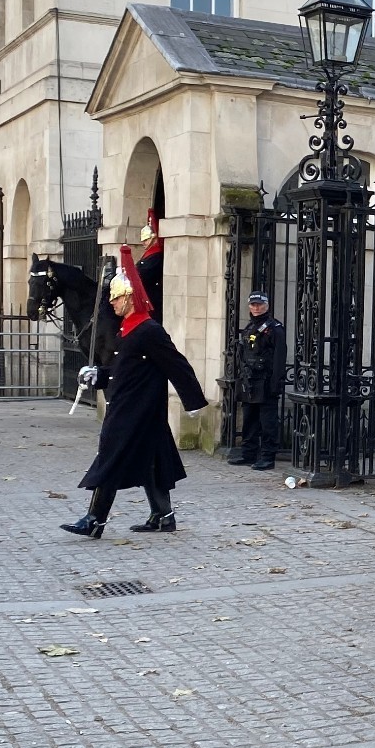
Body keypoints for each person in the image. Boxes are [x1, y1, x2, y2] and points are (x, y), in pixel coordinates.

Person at [61, 246, 207, 537]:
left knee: (110, 457)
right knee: (153, 459)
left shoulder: (149, 330)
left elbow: (177, 365)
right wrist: (97, 376)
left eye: (115, 298)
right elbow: (121, 371)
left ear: (129, 298)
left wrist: (193, 400)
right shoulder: (126, 329)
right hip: (130, 405)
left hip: (137, 409)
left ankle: (94, 520)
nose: (112, 303)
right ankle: (163, 516)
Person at [228, 291, 286, 470]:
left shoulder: (274, 328)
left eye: (259, 305)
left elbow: (279, 357)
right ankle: (248, 453)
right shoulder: (250, 327)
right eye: (253, 305)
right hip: (250, 380)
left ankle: (268, 457)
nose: (256, 308)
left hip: (266, 381)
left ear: (267, 306)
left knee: (267, 421)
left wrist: (276, 382)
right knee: (249, 419)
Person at [135, 209, 164, 325]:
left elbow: (144, 273)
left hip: (152, 297)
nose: (143, 243)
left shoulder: (156, 256)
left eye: (146, 240)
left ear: (153, 238)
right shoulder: (148, 255)